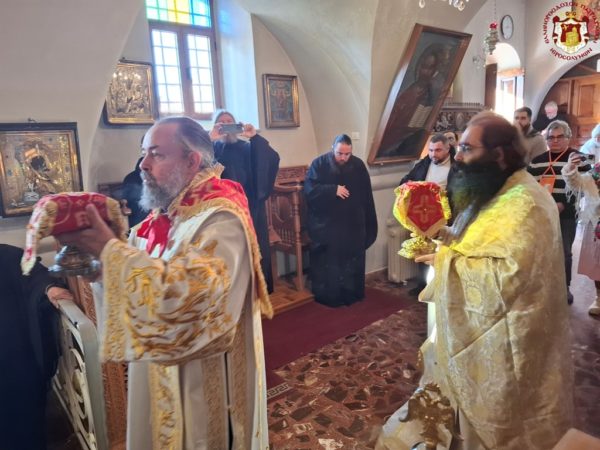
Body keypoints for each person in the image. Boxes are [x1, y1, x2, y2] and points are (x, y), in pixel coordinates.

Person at [56, 116, 272, 449]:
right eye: (144, 153)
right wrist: (101, 269)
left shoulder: (220, 218)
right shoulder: (163, 215)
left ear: (191, 161)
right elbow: (134, 273)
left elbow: (190, 298)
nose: (143, 164)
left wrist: (110, 252)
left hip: (204, 376)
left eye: (156, 154)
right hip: (160, 370)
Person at [377, 112, 574, 450]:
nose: (459, 157)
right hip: (470, 335)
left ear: (498, 154)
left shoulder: (526, 203)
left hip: (506, 346)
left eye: (467, 148)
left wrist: (445, 261)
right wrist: (441, 234)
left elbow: (510, 279)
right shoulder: (492, 191)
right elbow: (474, 241)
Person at [0, 244, 73, 450]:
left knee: (26, 430)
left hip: (15, 366)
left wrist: (49, 288)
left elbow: (37, 274)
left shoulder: (6, 256)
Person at [210, 110, 280, 293]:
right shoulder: (211, 148)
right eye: (221, 122)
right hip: (221, 209)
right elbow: (197, 169)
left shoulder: (247, 147)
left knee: (253, 246)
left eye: (229, 121)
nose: (226, 125)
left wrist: (255, 137)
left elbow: (271, 159)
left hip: (249, 206)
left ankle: (256, 289)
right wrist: (210, 139)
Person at [304, 134, 377, 307]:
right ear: (332, 149)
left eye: (347, 154)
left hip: (352, 224)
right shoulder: (319, 164)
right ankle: (331, 297)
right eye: (339, 153)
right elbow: (310, 191)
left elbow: (367, 196)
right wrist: (332, 190)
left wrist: (367, 221)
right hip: (329, 225)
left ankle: (353, 294)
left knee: (352, 260)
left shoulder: (358, 165)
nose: (343, 158)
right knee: (331, 262)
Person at [398, 133, 457, 296]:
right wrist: (409, 185)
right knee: (423, 248)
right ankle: (422, 285)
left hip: (445, 215)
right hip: (423, 213)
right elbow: (406, 180)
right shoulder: (424, 163)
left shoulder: (456, 166)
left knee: (441, 250)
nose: (433, 154)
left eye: (438, 150)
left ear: (447, 149)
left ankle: (441, 286)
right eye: (430, 150)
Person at [529, 120, 579, 304]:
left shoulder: (577, 159)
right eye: (551, 137)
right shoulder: (537, 161)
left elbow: (581, 188)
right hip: (542, 214)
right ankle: (543, 287)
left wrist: (563, 204)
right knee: (541, 251)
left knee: (564, 252)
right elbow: (529, 186)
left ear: (568, 138)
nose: (555, 141)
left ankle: (564, 288)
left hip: (566, 215)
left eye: (560, 137)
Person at [562, 153, 600, 315]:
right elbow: (576, 183)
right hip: (596, 224)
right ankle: (599, 298)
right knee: (597, 265)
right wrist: (571, 167)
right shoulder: (596, 171)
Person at [120, 155, 146, 228]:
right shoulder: (130, 177)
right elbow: (124, 196)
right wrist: (124, 205)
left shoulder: (150, 176)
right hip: (134, 205)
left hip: (149, 204)